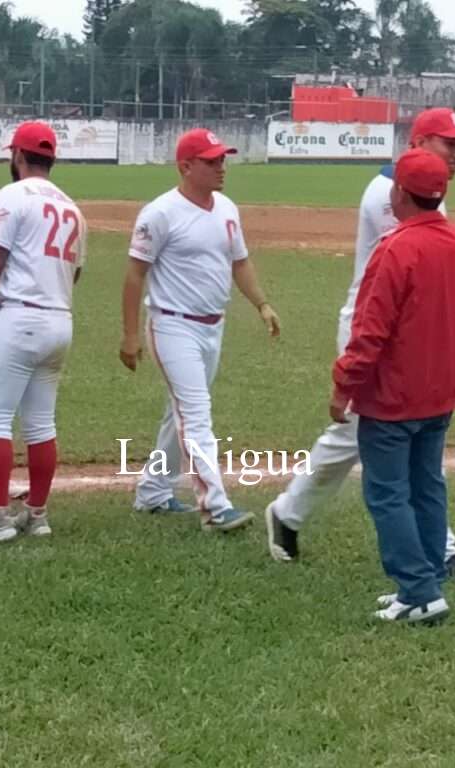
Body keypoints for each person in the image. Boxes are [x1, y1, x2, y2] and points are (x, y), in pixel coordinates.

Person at [264, 107, 455, 576]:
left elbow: (425, 249)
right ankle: (439, 550)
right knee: (400, 436)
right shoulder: (390, 194)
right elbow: (410, 262)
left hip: (403, 327)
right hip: (376, 326)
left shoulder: (424, 191)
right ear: (418, 142)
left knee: (368, 436)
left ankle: (288, 514)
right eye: (450, 144)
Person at [330, 148, 455, 624]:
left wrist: (344, 386)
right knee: (427, 485)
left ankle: (418, 592)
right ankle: (429, 574)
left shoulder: (393, 249)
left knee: (388, 492)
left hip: (394, 396)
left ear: (397, 193)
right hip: (440, 392)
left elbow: (370, 331)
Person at [120, 128, 280, 532]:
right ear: (186, 166)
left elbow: (239, 262)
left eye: (222, 159)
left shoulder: (226, 208)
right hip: (172, 325)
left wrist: (261, 303)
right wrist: (130, 335)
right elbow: (135, 274)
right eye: (212, 161)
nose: (221, 167)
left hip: (213, 326)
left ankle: (153, 491)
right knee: (195, 413)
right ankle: (215, 505)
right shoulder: (160, 213)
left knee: (180, 415)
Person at [0, 121, 86, 542]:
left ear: (18, 157)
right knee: (41, 423)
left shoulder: (12, 195)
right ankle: (36, 514)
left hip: (21, 317)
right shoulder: (72, 206)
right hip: (60, 319)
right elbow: (75, 273)